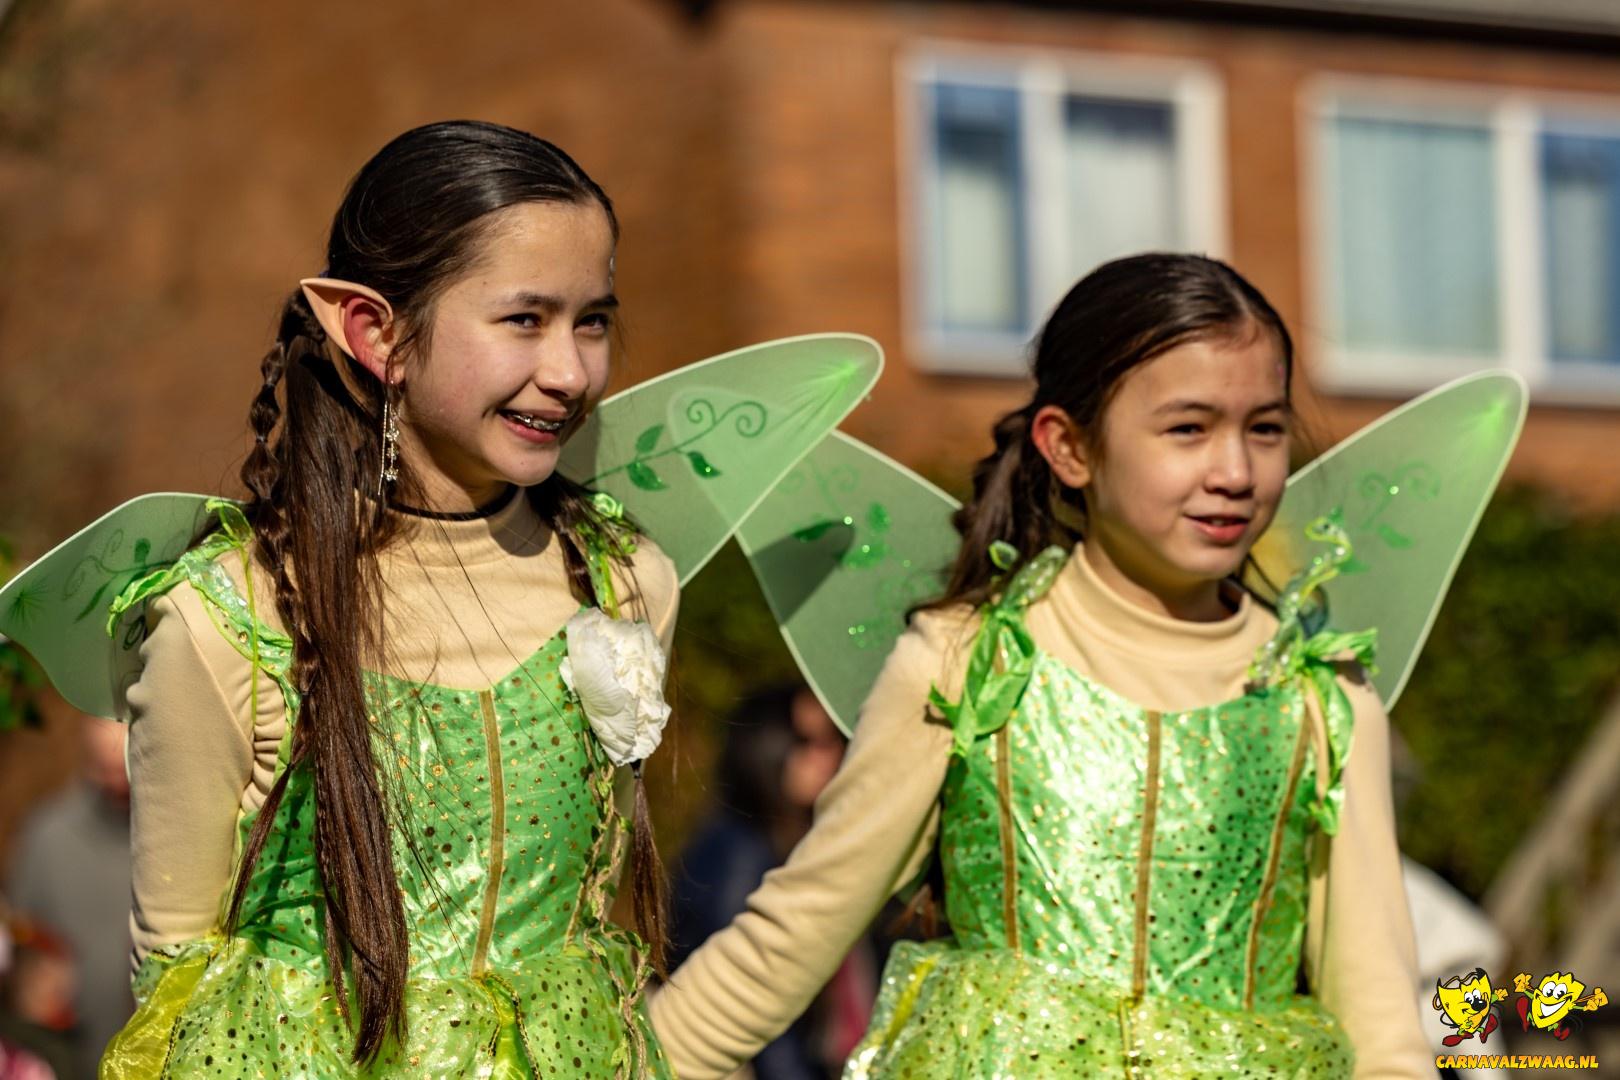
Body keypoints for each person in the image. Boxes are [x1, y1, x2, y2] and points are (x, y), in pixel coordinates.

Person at [650, 254, 1434, 1076]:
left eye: (1264, 429)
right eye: (1188, 429)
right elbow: (791, 936)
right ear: (1069, 447)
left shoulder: (1322, 699)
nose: (1235, 472)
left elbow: (1383, 1027)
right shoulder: (967, 662)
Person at [96, 121, 680, 1076]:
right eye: (524, 319)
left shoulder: (625, 582)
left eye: (593, 320)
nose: (571, 372)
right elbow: (173, 984)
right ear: (377, 334)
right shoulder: (229, 614)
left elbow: (601, 899)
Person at [671, 685, 871, 1079]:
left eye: (833, 740)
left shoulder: (788, 841)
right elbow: (746, 990)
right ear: (766, 748)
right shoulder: (739, 852)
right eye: (808, 742)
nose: (830, 755)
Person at [6, 717, 133, 1076]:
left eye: (124, 770)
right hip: (62, 1058)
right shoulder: (47, 836)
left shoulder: (170, 839)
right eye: (104, 770)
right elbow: (20, 943)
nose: (115, 783)